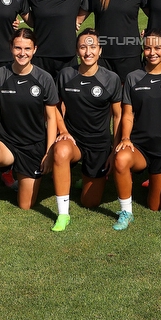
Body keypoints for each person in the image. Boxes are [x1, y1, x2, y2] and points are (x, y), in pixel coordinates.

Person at [0, 28, 60, 229]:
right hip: (7, 143)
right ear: (11, 48)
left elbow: (51, 117)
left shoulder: (44, 78)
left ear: (35, 50)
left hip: (33, 146)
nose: (22, 53)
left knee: (25, 205)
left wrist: (49, 151)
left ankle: (14, 175)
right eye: (17, 48)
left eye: (27, 48)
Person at [111, 31, 161, 230]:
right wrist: (125, 138)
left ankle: (157, 178)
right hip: (139, 147)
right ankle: (126, 212)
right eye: (148, 48)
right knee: (121, 158)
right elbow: (127, 114)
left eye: (157, 48)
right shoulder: (132, 78)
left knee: (155, 206)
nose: (152, 52)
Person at [50, 29, 123, 231]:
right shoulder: (66, 75)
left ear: (100, 50)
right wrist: (63, 130)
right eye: (83, 47)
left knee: (90, 202)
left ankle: (87, 176)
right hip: (73, 140)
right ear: (76, 51)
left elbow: (118, 116)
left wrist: (113, 150)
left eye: (92, 47)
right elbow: (55, 106)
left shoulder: (111, 79)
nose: (88, 52)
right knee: (61, 151)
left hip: (99, 144)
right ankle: (63, 214)